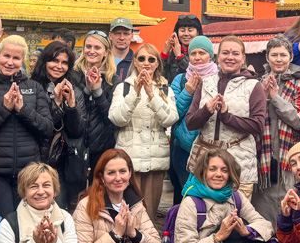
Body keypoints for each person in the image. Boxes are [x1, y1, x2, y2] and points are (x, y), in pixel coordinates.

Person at [0, 34, 54, 224]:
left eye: (16, 58)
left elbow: (47, 128)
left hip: (28, 172)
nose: (10, 62)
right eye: (6, 56)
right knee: (3, 224)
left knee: (26, 226)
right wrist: (4, 109)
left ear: (23, 61)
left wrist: (23, 109)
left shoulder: (34, 88)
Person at [185, 36, 265, 201]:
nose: (230, 57)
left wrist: (227, 117)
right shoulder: (205, 83)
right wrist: (206, 111)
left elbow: (258, 125)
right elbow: (190, 123)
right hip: (206, 161)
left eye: (235, 53)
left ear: (243, 58)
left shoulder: (253, 86)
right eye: (225, 53)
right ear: (217, 57)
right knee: (201, 214)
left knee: (235, 215)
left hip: (239, 161)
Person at [108, 43, 178, 224]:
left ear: (157, 64)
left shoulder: (165, 89)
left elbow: (170, 119)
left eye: (151, 59)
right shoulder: (123, 88)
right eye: (141, 58)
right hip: (129, 158)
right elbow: (117, 119)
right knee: (127, 213)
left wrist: (152, 96)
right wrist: (135, 93)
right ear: (135, 63)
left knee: (150, 214)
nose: (146, 63)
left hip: (155, 158)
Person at [255, 36, 300, 225]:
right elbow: (250, 118)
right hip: (262, 159)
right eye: (274, 55)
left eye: (283, 55)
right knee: (262, 214)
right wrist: (263, 97)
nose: (279, 59)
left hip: (289, 158)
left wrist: (276, 98)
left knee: (289, 211)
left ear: (290, 57)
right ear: (267, 57)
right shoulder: (256, 84)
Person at [31, 40, 89, 208]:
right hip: (37, 157)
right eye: (54, 61)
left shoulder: (74, 90)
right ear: (45, 62)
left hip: (64, 161)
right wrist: (55, 104)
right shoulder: (32, 87)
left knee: (61, 208)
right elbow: (40, 127)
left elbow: (77, 131)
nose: (59, 66)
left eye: (64, 63)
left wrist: (71, 105)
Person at [168, 35, 217, 205]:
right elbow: (173, 113)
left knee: (209, 194)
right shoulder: (180, 79)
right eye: (193, 53)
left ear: (210, 55)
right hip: (183, 147)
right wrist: (187, 92)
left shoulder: (219, 78)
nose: (197, 57)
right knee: (185, 193)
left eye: (202, 53)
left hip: (211, 146)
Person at [76, 30, 118, 172]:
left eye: (97, 48)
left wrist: (98, 92)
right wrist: (87, 90)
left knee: (98, 190)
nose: (91, 51)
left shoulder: (113, 80)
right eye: (88, 47)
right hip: (76, 144)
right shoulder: (73, 74)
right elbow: (73, 111)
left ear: (106, 52)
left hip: (102, 145)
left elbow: (111, 118)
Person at [161, 14, 203, 81]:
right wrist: (164, 55)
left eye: (190, 30)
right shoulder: (172, 55)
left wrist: (179, 57)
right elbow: (160, 77)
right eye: (182, 30)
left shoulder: (204, 53)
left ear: (198, 33)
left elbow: (196, 73)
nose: (186, 34)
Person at [109, 17, 135, 83]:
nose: (122, 38)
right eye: (118, 33)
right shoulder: (102, 60)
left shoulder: (137, 62)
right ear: (110, 36)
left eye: (126, 34)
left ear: (131, 37)